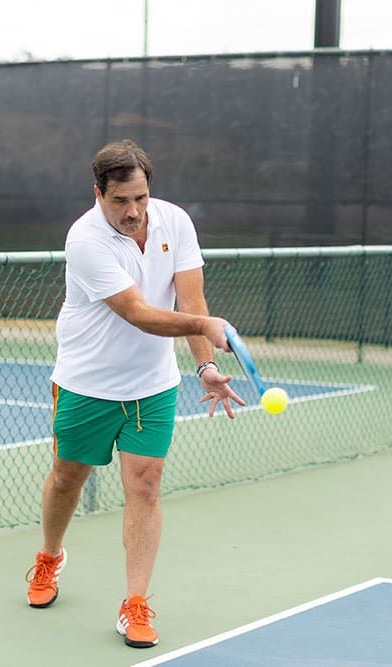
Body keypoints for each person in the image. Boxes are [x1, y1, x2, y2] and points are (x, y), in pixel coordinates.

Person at [25, 139, 244, 649]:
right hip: (86, 384)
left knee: (145, 486)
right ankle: (50, 555)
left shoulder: (176, 222)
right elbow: (138, 313)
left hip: (152, 386)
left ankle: (135, 602)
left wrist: (206, 365)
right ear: (98, 194)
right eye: (120, 200)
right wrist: (204, 326)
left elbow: (191, 298)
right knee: (67, 477)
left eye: (141, 198)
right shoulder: (85, 240)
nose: (133, 211)